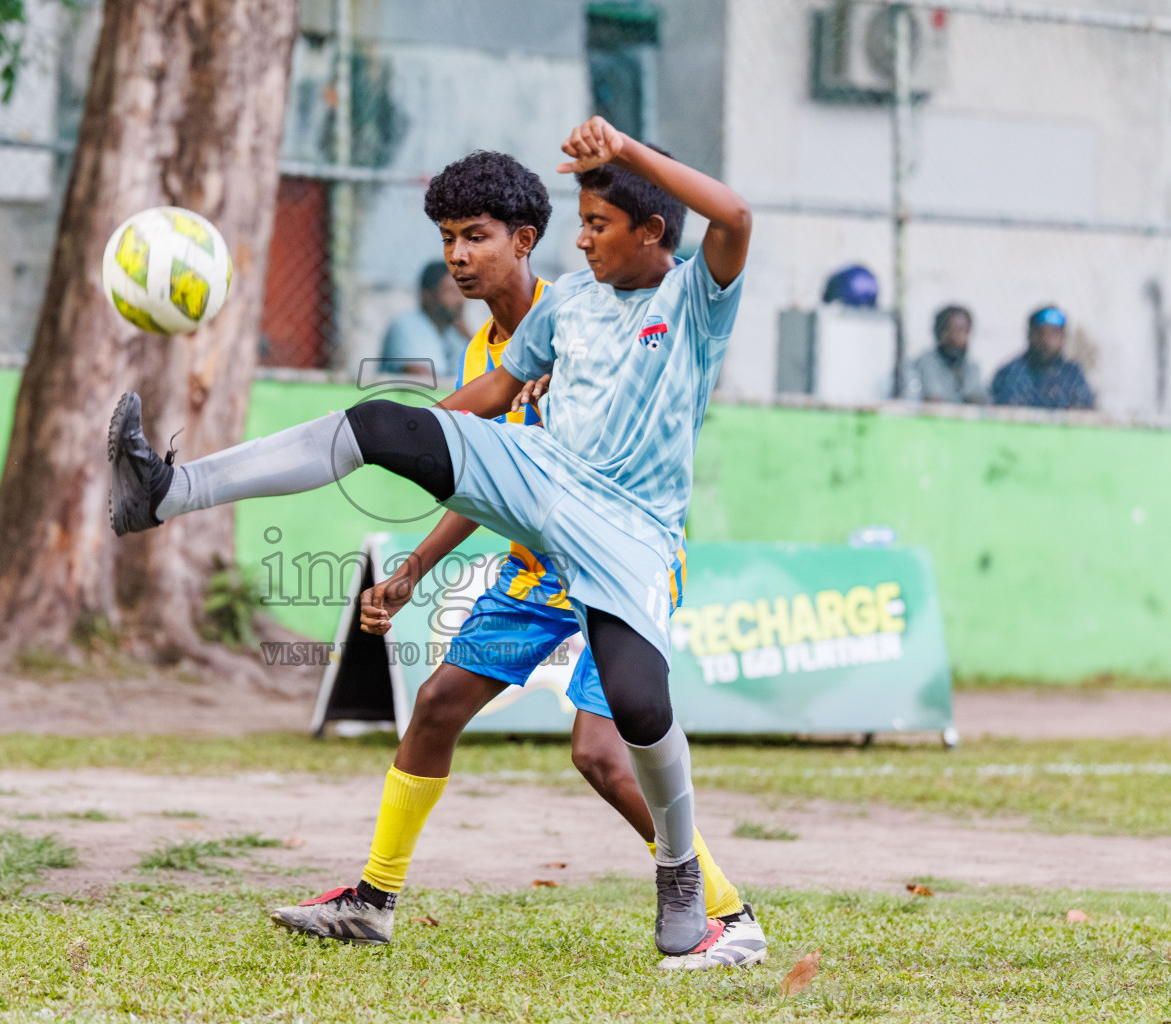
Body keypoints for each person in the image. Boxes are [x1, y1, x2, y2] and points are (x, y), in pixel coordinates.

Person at [106, 115, 752, 961]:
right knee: (387, 450)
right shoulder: (564, 313)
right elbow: (486, 404)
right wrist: (400, 446)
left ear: (649, 231)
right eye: (449, 238)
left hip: (627, 536)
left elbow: (735, 217)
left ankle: (703, 894)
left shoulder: (689, 299)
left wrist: (627, 150)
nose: (582, 240)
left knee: (620, 727)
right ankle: (165, 491)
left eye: (596, 225)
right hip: (539, 507)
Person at [991, 305, 1095, 410]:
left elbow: (1084, 411)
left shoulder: (1072, 374)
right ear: (1030, 334)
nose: (1046, 341)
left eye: (1054, 334)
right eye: (1041, 333)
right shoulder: (1011, 373)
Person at [380, 260, 469, 381]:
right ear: (427, 295)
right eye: (451, 292)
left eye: (462, 291)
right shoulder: (408, 326)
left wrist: (468, 335)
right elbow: (424, 381)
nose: (460, 300)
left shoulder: (452, 333)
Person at [908, 305, 987, 403]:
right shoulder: (924, 364)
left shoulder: (972, 368)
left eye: (964, 331)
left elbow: (980, 401)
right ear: (940, 332)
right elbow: (933, 401)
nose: (958, 337)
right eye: (953, 330)